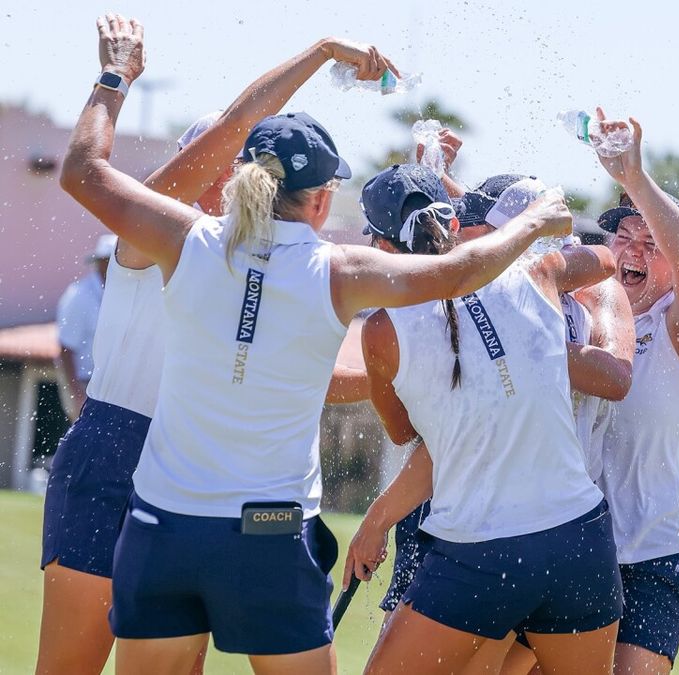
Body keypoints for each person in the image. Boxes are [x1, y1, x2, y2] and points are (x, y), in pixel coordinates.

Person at [60, 15, 570, 673]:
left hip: (163, 530)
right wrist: (531, 222)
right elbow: (459, 271)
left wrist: (114, 77)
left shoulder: (184, 239)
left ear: (241, 176)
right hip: (270, 535)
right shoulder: (340, 271)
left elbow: (81, 170)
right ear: (323, 202)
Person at [37, 32, 384, 675]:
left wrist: (396, 381)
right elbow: (235, 124)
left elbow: (307, 379)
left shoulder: (248, 263)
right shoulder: (159, 234)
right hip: (118, 449)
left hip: (191, 469)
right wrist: (316, 54)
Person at [343, 171, 633, 674]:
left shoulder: (383, 331)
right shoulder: (535, 273)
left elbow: (407, 434)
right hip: (580, 541)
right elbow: (605, 259)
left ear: (384, 245)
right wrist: (526, 237)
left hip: (481, 553)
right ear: (456, 223)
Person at [591, 111, 679, 673]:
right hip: (577, 546)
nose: (634, 250)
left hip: (653, 556)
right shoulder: (593, 312)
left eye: (652, 241)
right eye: (626, 234)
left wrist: (635, 180)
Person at [55, 234, 114, 420]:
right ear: (102, 263)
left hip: (108, 387)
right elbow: (65, 349)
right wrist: (76, 393)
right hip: (84, 384)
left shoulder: (118, 293)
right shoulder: (79, 296)